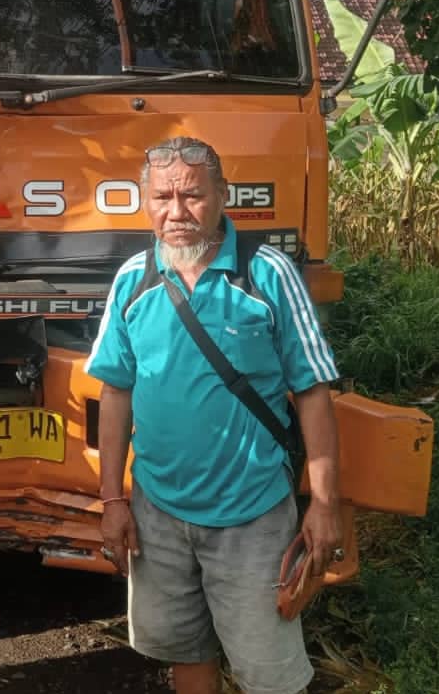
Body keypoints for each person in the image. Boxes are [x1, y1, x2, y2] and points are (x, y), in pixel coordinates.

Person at [87, 136, 342, 694]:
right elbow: (116, 393)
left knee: (268, 676)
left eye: (193, 197)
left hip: (252, 514)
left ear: (223, 196)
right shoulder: (134, 280)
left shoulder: (267, 275)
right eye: (162, 198)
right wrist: (112, 499)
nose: (176, 212)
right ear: (144, 200)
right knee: (186, 654)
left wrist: (323, 503)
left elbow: (313, 391)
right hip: (158, 513)